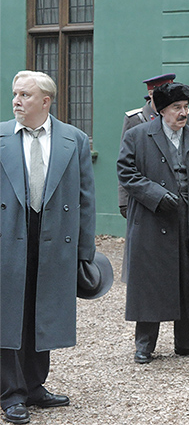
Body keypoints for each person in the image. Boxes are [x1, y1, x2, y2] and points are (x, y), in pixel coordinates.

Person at [1, 71, 96, 424]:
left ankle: (34, 385)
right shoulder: (1, 136)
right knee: (9, 314)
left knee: (42, 311)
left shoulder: (74, 139)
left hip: (54, 238)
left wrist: (84, 252)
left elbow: (86, 197)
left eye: (24, 95)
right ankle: (11, 393)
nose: (16, 101)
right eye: (15, 94)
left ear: (45, 100)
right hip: (7, 236)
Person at [118, 82, 189, 365]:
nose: (184, 113)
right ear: (162, 110)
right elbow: (126, 173)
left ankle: (186, 341)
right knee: (151, 281)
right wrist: (156, 195)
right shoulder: (138, 135)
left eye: (186, 107)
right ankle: (144, 344)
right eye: (177, 107)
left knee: (188, 279)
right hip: (153, 218)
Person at [118, 73, 175, 219]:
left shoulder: (178, 118)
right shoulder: (135, 120)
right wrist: (124, 201)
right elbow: (126, 164)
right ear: (151, 94)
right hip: (145, 197)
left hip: (174, 197)